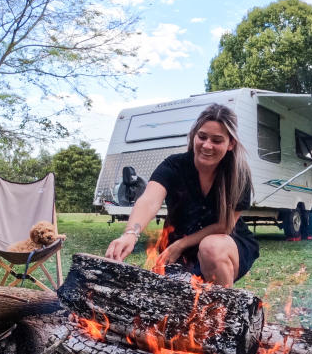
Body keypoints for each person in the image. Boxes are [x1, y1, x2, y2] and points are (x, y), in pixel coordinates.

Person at [105, 104, 259, 287]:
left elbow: (225, 226)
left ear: (230, 144)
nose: (207, 145)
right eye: (202, 137)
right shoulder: (174, 166)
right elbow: (149, 201)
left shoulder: (238, 174)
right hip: (176, 247)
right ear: (194, 135)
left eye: (217, 140)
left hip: (226, 245)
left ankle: (224, 312)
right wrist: (130, 234)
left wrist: (181, 244)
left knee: (211, 248)